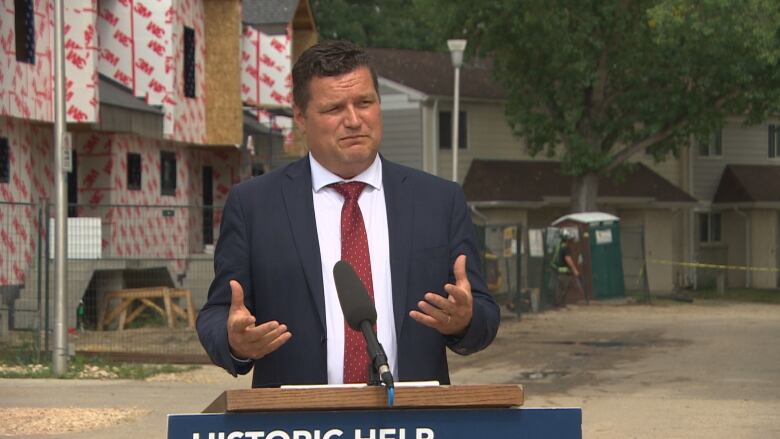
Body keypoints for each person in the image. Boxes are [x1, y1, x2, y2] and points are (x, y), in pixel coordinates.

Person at [196, 40, 500, 388]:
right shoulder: (254, 205)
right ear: (300, 117)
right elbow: (217, 314)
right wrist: (234, 342)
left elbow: (485, 315)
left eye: (365, 103)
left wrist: (465, 321)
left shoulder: (439, 200)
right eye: (334, 108)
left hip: (411, 420)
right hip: (298, 422)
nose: (354, 120)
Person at [552, 229, 583, 306]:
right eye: (570, 240)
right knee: (565, 287)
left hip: (556, 269)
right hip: (563, 271)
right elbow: (568, 259)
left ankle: (559, 303)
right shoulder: (565, 248)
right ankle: (560, 303)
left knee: (560, 287)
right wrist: (575, 270)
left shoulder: (559, 246)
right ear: (567, 240)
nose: (571, 242)